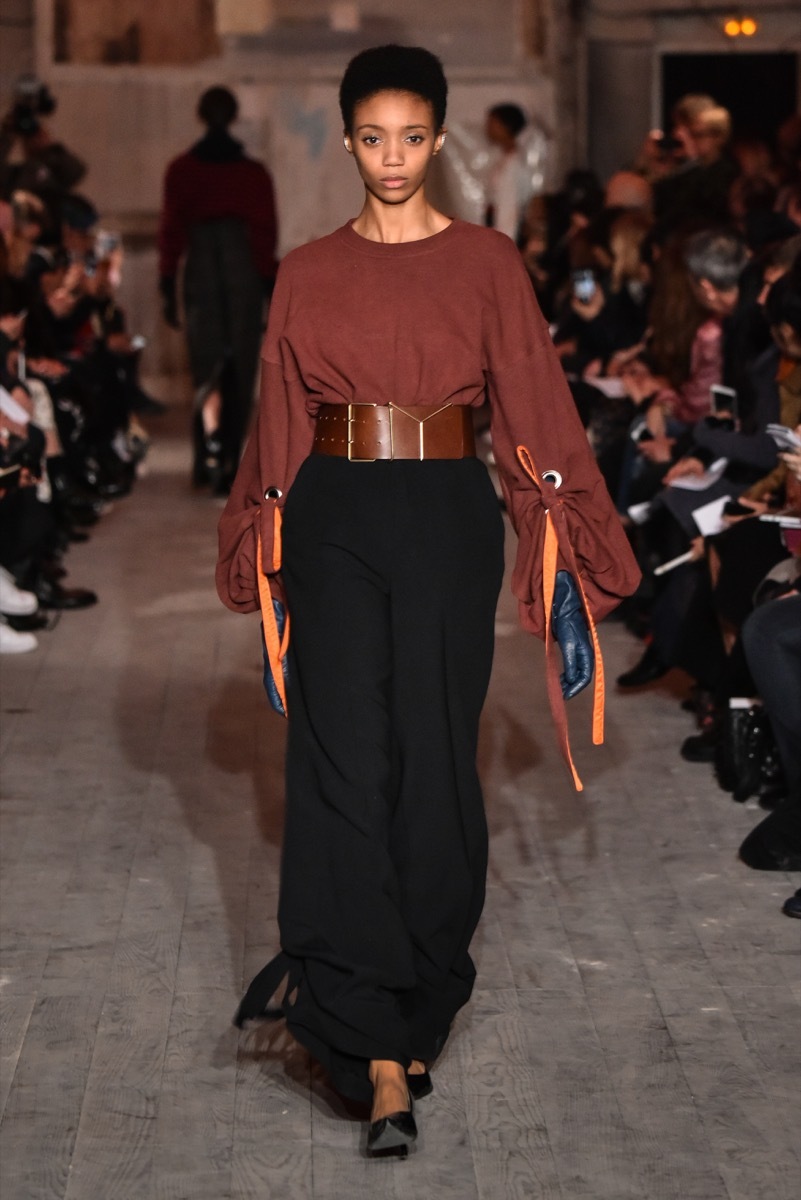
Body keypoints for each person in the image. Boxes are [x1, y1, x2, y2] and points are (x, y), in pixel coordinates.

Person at [216, 44, 639, 1156]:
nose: (393, 156)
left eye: (412, 136)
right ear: (349, 140)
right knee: (342, 758)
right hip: (335, 517)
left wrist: (571, 526)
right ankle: (365, 1038)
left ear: (440, 140)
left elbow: (536, 400)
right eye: (372, 137)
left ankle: (416, 997)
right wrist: (258, 529)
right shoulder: (306, 269)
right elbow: (277, 411)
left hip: (450, 513)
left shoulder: (490, 261)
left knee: (436, 759)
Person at [158, 86, 278, 494]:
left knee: (206, 366)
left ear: (200, 114)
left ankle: (206, 456)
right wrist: (267, 283)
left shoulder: (182, 170)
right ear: (233, 116)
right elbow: (264, 233)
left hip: (202, 270)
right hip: (241, 267)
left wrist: (165, 281)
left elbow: (171, 229)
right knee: (240, 368)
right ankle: (229, 460)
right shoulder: (252, 174)